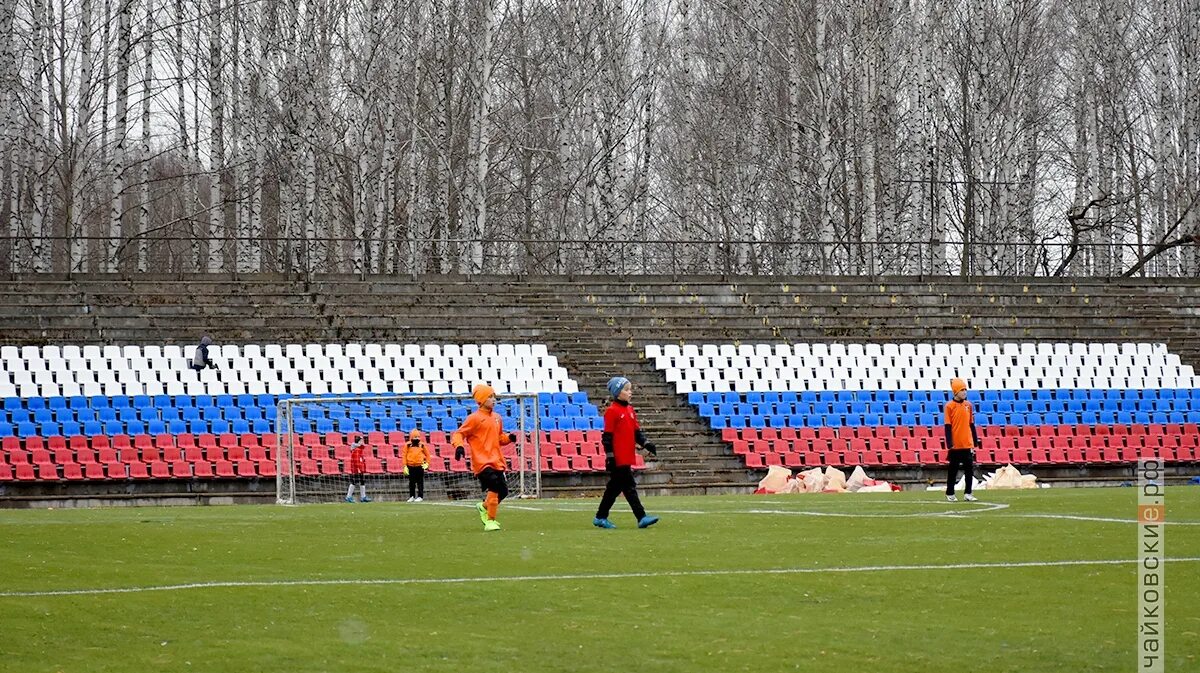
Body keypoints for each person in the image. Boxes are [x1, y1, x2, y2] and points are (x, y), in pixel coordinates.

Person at [593, 376, 659, 529]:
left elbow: (636, 432)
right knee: (629, 487)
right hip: (617, 459)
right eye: (627, 389)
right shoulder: (612, 411)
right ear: (618, 393)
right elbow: (607, 437)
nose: (630, 392)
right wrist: (610, 457)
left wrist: (646, 443)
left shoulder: (630, 410)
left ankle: (600, 517)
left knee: (614, 489)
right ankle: (641, 517)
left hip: (626, 457)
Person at [451, 383, 516, 532]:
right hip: (482, 462)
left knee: (504, 492)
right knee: (493, 486)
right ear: (481, 399)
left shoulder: (497, 418)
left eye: (494, 396)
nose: (494, 399)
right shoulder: (474, 419)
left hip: (497, 461)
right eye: (490, 396)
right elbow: (458, 434)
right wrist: (459, 446)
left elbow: (499, 438)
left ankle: (484, 506)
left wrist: (509, 438)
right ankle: (490, 521)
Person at [944, 377, 980, 502]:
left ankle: (968, 493)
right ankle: (950, 493)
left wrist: (975, 440)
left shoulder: (968, 405)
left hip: (967, 444)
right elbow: (948, 426)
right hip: (956, 445)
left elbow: (971, 424)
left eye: (965, 389)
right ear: (955, 392)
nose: (965, 392)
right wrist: (949, 443)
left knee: (969, 470)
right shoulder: (949, 406)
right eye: (962, 390)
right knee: (952, 471)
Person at [403, 429, 430, 502]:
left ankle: (420, 496)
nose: (416, 440)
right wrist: (405, 466)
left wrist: (427, 463)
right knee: (411, 482)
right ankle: (412, 496)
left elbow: (427, 455)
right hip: (410, 466)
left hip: (419, 466)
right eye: (414, 438)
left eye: (417, 438)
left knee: (420, 482)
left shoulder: (422, 445)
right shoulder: (407, 445)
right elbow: (404, 455)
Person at [345, 436, 372, 503]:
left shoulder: (359, 449)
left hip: (359, 469)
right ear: (359, 441)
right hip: (357, 470)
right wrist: (359, 469)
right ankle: (348, 497)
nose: (363, 442)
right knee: (354, 482)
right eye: (361, 440)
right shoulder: (356, 450)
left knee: (362, 481)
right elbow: (357, 461)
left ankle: (363, 497)